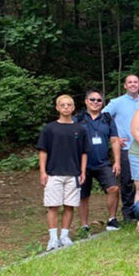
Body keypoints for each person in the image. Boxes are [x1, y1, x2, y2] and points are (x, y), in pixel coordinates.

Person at [37, 95, 89, 250]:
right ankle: (53, 238)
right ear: (57, 108)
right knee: (53, 206)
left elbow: (84, 152)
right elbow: (43, 151)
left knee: (69, 205)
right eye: (63, 105)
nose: (66, 107)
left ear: (73, 108)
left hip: (73, 173)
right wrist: (42, 172)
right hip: (54, 173)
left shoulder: (80, 129)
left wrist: (83, 171)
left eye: (69, 105)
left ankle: (64, 235)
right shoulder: (50, 129)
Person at [74, 90, 121, 236]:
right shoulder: (78, 118)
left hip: (102, 162)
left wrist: (117, 161)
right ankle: (84, 226)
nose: (95, 102)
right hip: (82, 164)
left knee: (113, 188)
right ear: (86, 101)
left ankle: (112, 219)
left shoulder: (107, 119)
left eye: (99, 100)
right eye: (92, 99)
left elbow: (114, 140)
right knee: (83, 195)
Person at [103, 74, 139, 219]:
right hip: (126, 148)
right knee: (127, 182)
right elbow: (102, 118)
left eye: (135, 82)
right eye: (129, 82)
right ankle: (128, 214)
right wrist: (114, 137)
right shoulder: (116, 102)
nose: (133, 84)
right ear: (125, 86)